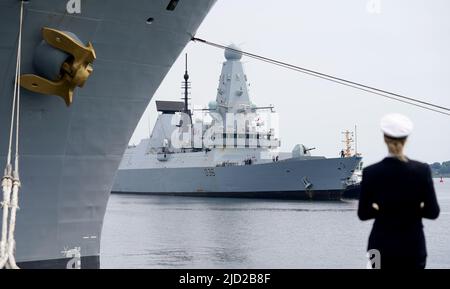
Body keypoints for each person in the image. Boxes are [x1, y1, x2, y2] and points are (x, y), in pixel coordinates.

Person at [358, 113, 440, 269]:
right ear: (406, 139)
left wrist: (382, 209)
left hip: (379, 246)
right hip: (413, 247)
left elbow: (363, 214)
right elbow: (433, 212)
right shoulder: (422, 170)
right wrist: (412, 209)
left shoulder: (371, 172)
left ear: (384, 138)